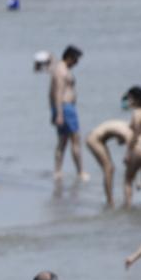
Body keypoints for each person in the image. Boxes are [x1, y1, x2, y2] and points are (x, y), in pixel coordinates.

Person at [49, 44, 85, 183]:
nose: (77, 63)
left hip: (65, 108)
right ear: (70, 57)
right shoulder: (61, 71)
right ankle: (80, 172)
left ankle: (58, 171)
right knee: (74, 140)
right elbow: (57, 92)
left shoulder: (60, 68)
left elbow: (50, 93)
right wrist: (58, 113)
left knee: (63, 141)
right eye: (76, 59)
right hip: (65, 108)